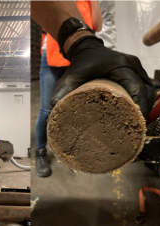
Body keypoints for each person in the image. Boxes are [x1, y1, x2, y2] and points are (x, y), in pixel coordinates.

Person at [33, 0, 130, 178]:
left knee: (75, 108)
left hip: (77, 60)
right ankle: (40, 153)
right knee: (47, 109)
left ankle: (70, 152)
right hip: (53, 58)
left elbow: (97, 25)